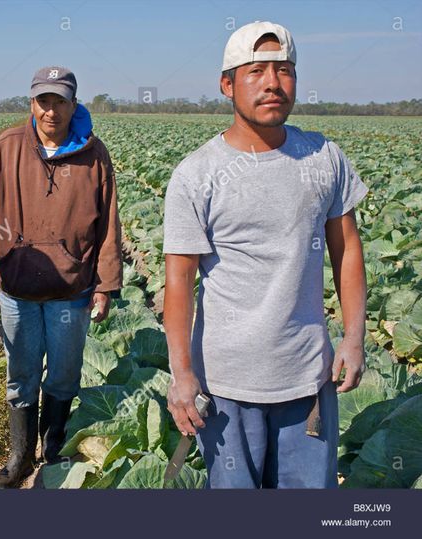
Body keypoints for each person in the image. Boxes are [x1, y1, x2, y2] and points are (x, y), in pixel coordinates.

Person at [162, 22, 368, 488]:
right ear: (227, 85)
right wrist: (182, 375)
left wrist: (354, 337)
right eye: (256, 71)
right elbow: (179, 281)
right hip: (227, 384)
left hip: (309, 378)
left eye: (285, 70)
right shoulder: (198, 175)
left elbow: (348, 250)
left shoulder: (324, 157)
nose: (273, 83)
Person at [0, 66, 123, 488]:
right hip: (17, 288)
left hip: (71, 290)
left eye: (59, 101)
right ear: (32, 103)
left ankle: (51, 454)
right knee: (21, 374)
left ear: (74, 104)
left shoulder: (95, 154)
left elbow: (108, 223)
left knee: (64, 375)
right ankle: (19, 460)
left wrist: (107, 285)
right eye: (43, 101)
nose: (51, 110)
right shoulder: (9, 146)